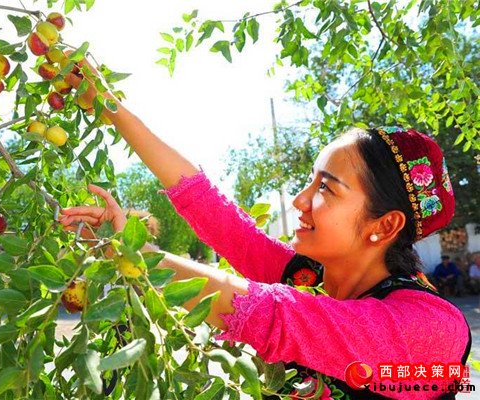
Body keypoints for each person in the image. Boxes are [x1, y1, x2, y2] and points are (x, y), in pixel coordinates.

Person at [58, 61, 471, 399]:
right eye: (310, 181)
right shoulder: (308, 275)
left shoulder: (430, 329)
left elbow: (274, 315)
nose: (300, 200)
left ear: (386, 224)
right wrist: (108, 105)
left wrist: (133, 252)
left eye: (326, 188)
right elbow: (211, 210)